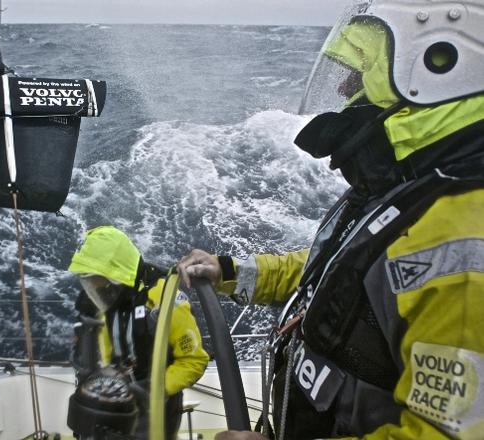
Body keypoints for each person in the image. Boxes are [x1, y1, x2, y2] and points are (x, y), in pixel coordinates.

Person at [178, 1, 484, 439]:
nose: (344, 89)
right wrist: (230, 272)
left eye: (361, 74)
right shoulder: (409, 192)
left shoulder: (466, 245)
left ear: (439, 71)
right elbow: (337, 273)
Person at [68, 226, 209, 439]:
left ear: (117, 276)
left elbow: (194, 361)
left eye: (98, 281)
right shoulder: (108, 298)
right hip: (118, 400)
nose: (94, 289)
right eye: (89, 283)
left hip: (157, 405)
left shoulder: (165, 299)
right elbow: (107, 353)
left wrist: (153, 390)